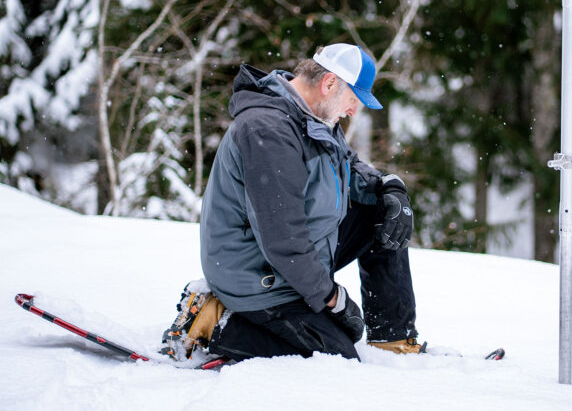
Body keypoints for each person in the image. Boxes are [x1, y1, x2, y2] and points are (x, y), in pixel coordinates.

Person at [159, 44, 422, 363]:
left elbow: (349, 166)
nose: (353, 111)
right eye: (354, 99)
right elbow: (283, 240)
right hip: (253, 269)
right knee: (336, 356)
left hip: (289, 252)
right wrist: (332, 298)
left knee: (385, 212)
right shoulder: (267, 129)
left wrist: (388, 186)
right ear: (329, 84)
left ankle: (393, 340)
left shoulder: (314, 116)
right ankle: (214, 320)